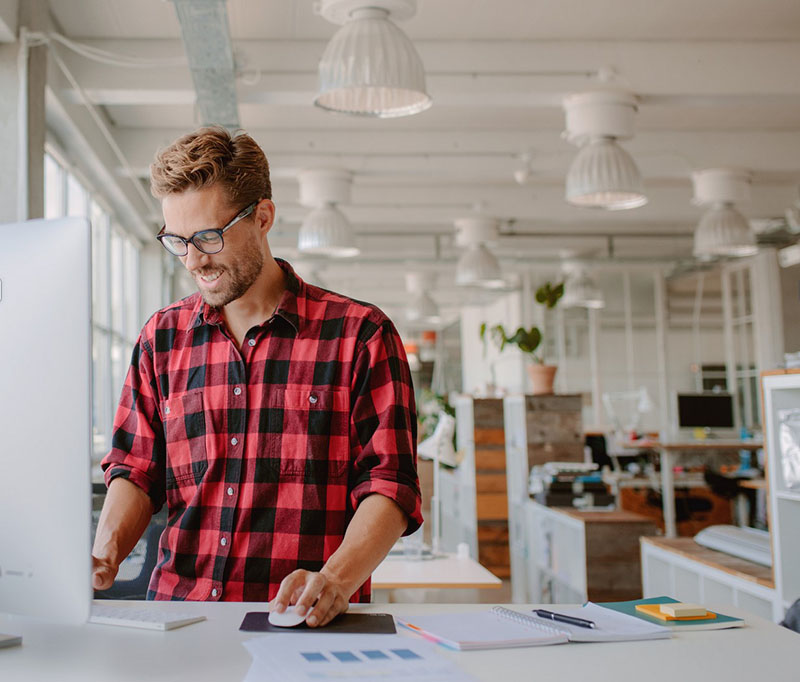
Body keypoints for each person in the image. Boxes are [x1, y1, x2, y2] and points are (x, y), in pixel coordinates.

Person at [92, 127, 422, 627]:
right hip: (179, 620)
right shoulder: (161, 338)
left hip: (302, 625)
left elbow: (389, 484)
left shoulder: (360, 335)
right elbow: (136, 469)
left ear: (263, 217)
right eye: (176, 241)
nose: (194, 259)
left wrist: (334, 579)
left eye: (208, 236)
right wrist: (103, 555)